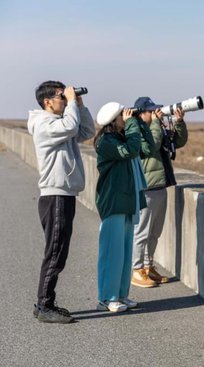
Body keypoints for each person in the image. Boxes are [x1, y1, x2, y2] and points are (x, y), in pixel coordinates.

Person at [28, 81, 95, 323]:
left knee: (59, 252)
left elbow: (86, 131)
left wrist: (79, 103)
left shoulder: (60, 122)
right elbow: (70, 126)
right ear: (47, 102)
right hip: (55, 195)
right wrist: (71, 107)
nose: (65, 100)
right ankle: (44, 305)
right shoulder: (43, 124)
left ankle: (45, 303)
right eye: (61, 97)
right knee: (55, 252)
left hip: (64, 193)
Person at [94, 101, 154, 312]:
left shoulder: (123, 136)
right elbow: (130, 151)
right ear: (113, 120)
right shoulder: (106, 142)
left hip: (128, 200)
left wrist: (140, 124)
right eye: (123, 115)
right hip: (113, 201)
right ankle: (105, 298)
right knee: (112, 252)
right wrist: (132, 127)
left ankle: (120, 294)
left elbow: (147, 148)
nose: (126, 117)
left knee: (124, 253)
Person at [131, 97, 188, 288]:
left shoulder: (155, 127)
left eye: (156, 111)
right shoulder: (135, 129)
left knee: (154, 232)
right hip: (145, 187)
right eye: (151, 111)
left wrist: (179, 123)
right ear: (141, 112)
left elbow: (177, 142)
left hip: (160, 185)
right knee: (142, 232)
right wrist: (156, 123)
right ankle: (137, 270)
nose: (156, 114)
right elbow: (153, 145)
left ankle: (148, 267)